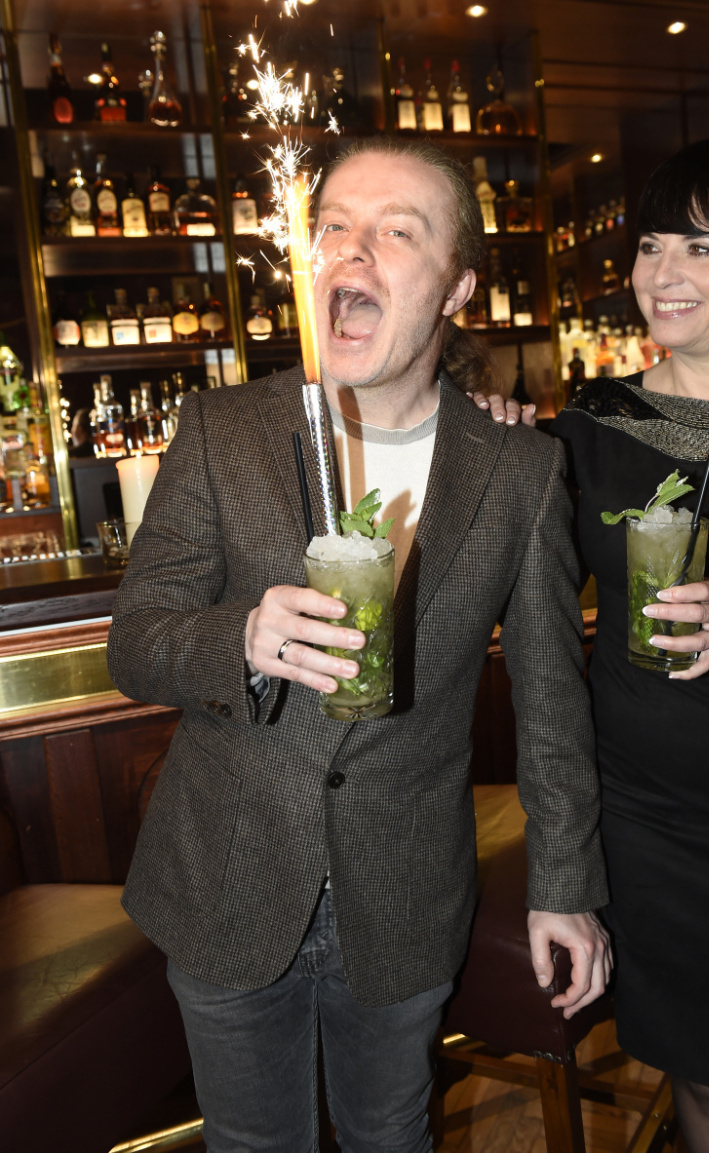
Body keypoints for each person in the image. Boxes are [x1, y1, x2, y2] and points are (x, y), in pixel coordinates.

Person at [107, 137, 611, 1153]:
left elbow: (555, 705)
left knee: (390, 1132)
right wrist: (241, 637)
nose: (352, 248)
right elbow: (137, 643)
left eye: (397, 231)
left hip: (406, 889)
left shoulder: (519, 472)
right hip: (227, 876)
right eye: (334, 224)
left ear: (458, 286)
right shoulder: (221, 430)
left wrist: (566, 888)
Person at [473, 136, 709, 1152]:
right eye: (652, 246)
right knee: (708, 1082)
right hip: (652, 814)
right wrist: (488, 453)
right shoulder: (594, 424)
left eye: (701, 246)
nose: (663, 273)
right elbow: (505, 592)